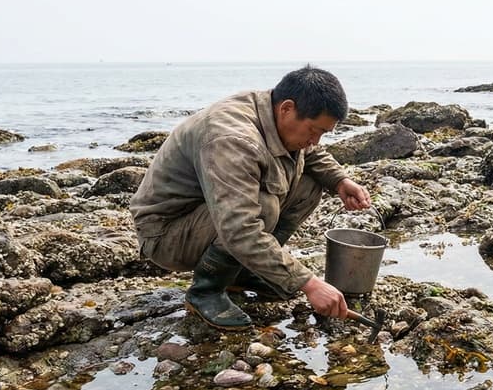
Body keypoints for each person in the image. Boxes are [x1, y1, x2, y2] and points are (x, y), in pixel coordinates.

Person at [129, 66, 371, 329]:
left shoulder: (274, 112)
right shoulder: (233, 139)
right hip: (166, 233)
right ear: (287, 108)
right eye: (314, 131)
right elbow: (240, 228)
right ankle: (206, 291)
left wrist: (340, 180)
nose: (315, 140)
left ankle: (245, 271)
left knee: (311, 184)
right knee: (263, 206)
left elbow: (309, 154)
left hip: (206, 217)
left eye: (323, 133)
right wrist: (308, 283)